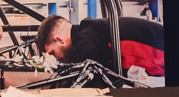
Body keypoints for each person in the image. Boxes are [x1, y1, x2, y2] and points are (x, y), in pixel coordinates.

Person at [35, 15, 165, 76]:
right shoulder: (89, 30)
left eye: (52, 53)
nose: (56, 59)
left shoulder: (86, 40)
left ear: (60, 40)